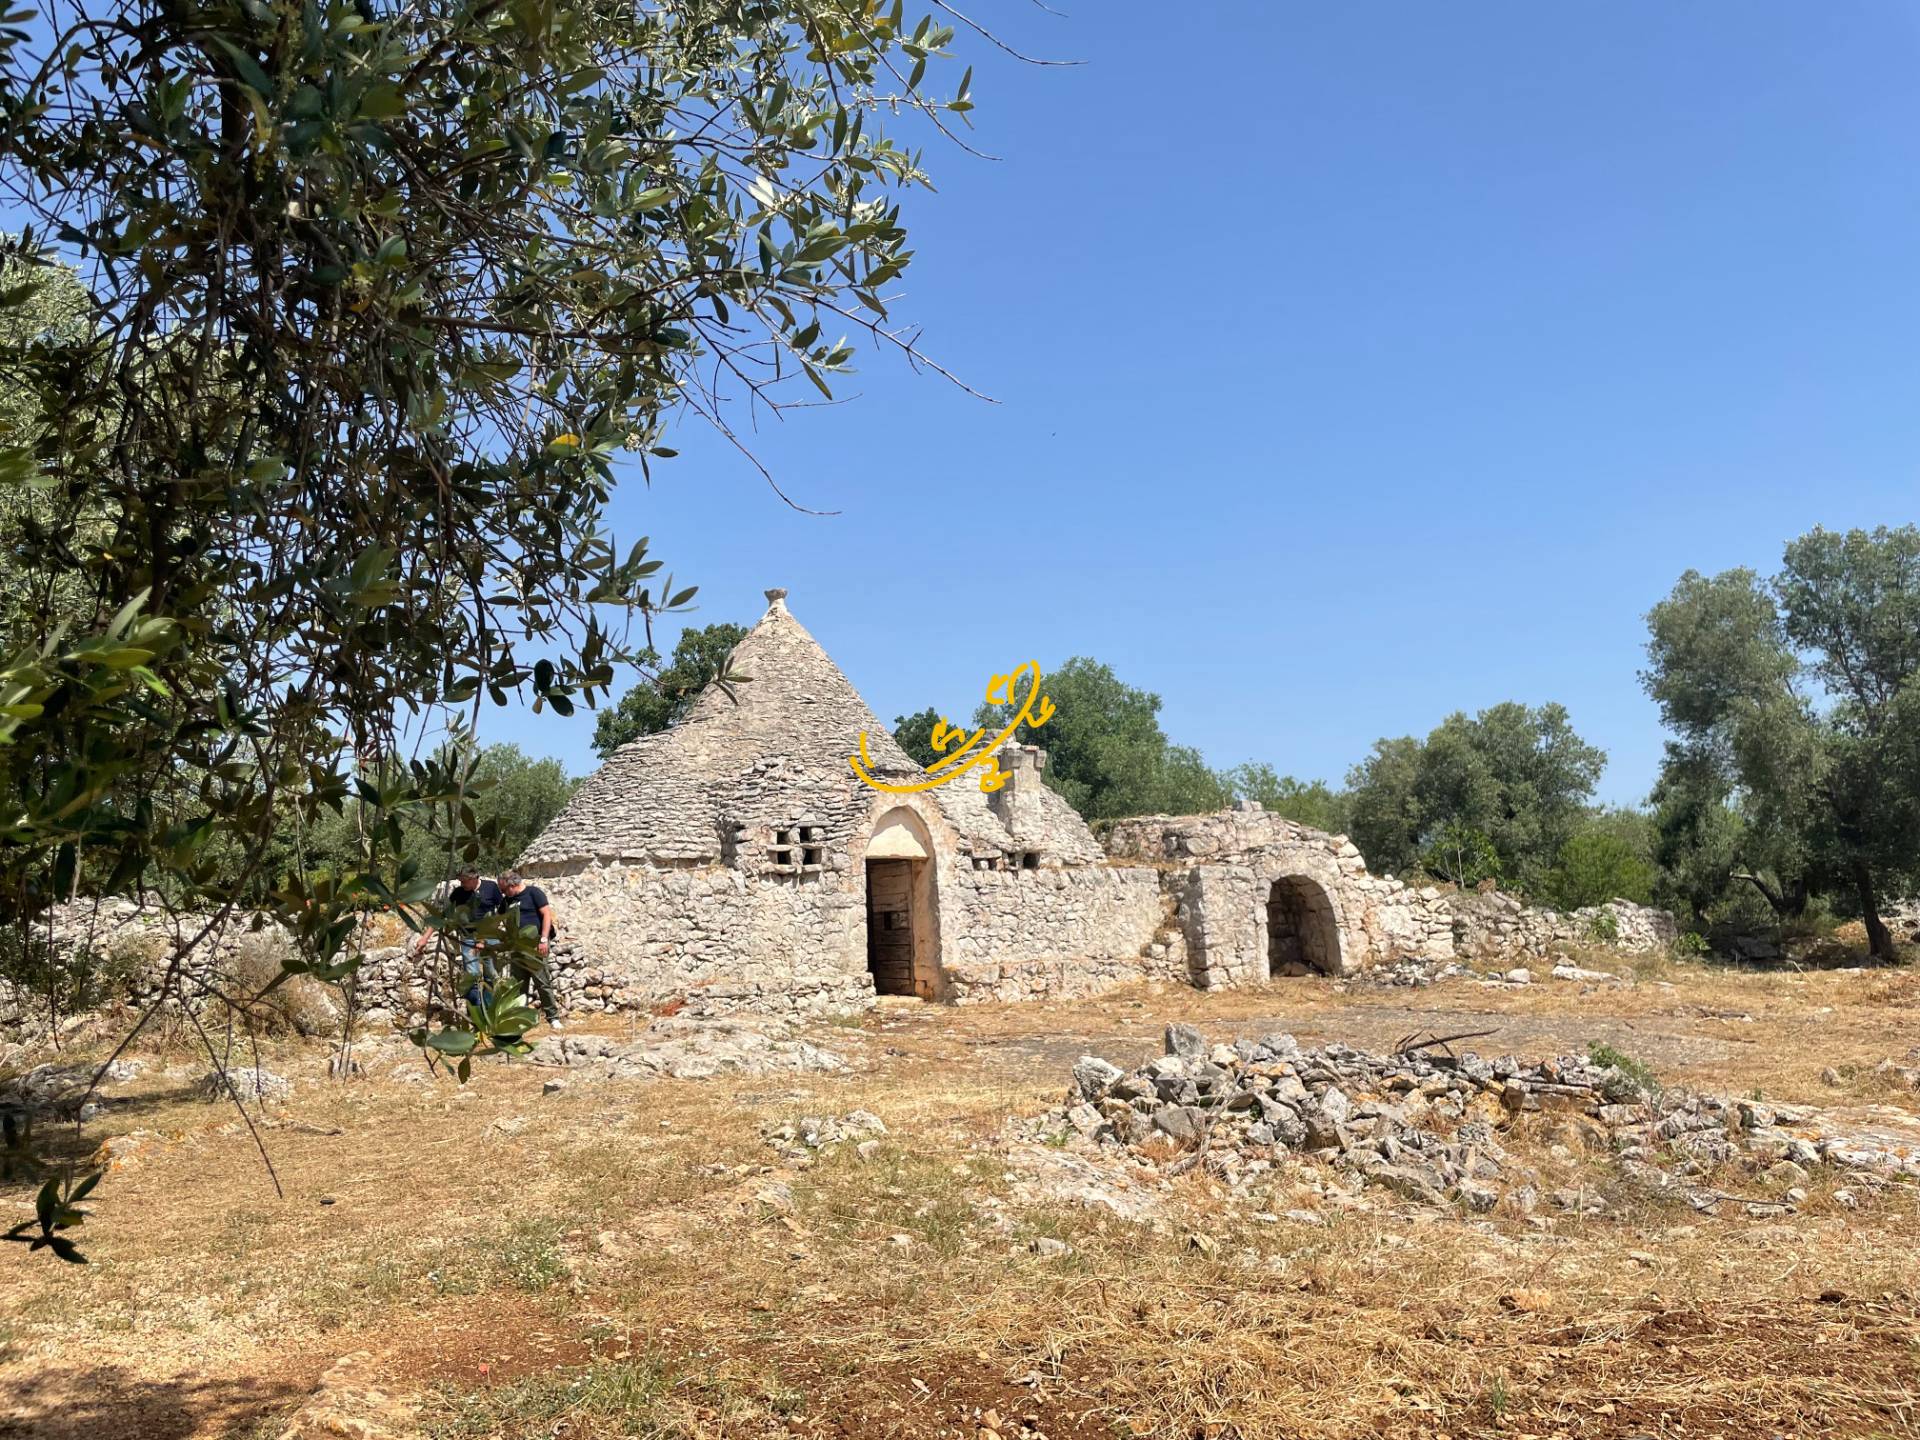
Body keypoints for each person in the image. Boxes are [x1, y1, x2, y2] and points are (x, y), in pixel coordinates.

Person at [412, 868, 505, 1007]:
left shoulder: (491, 888)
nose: (462, 884)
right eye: (460, 880)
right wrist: (425, 937)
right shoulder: (458, 893)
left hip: (489, 936)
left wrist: (488, 938)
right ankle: (476, 1012)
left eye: (465, 881)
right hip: (468, 938)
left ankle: (491, 1012)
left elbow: (502, 912)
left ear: (474, 878)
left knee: (491, 975)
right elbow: (442, 916)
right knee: (471, 976)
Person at [497, 870, 563, 1028]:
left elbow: (547, 915)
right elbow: (498, 918)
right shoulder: (507, 901)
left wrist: (543, 939)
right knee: (518, 984)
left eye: (504, 890)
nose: (503, 893)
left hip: (535, 946)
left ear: (513, 885)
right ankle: (521, 1018)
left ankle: (553, 1017)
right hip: (517, 947)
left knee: (542, 982)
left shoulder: (534, 893)